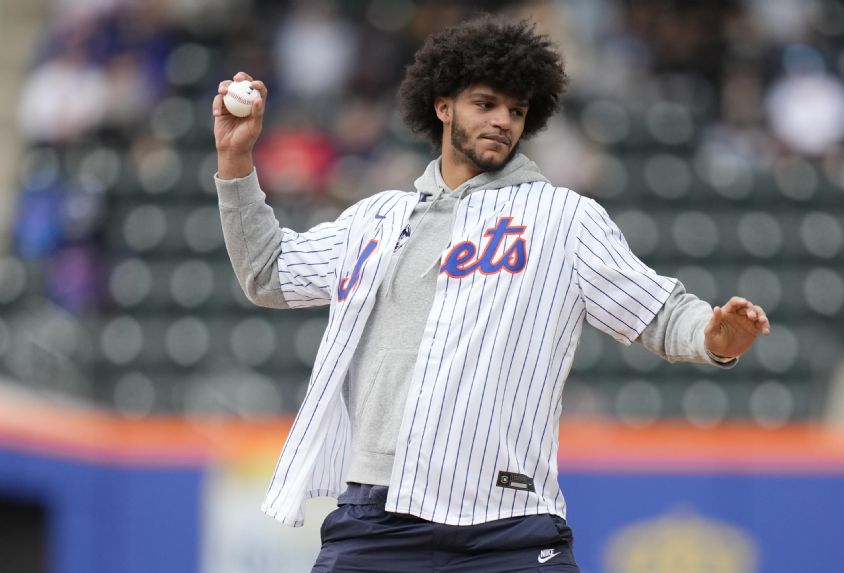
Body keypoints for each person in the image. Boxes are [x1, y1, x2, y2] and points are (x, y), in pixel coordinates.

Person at [212, 17, 770, 573]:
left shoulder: (562, 218)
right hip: (375, 519)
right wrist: (236, 163)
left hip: (509, 526)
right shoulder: (375, 219)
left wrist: (713, 336)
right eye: (486, 104)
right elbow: (269, 272)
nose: (503, 121)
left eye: (517, 110)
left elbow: (659, 311)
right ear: (443, 106)